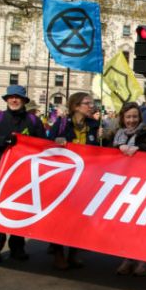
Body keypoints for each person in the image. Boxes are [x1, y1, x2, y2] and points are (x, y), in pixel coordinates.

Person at [0, 85, 48, 263]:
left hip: (24, 176)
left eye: (18, 97)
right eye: (11, 97)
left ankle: (17, 248)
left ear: (24, 100)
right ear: (6, 100)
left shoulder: (33, 121)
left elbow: (43, 145)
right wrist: (4, 140)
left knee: (20, 212)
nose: (14, 100)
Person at [111, 102, 146, 276]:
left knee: (143, 224)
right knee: (125, 224)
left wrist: (140, 149)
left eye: (134, 117)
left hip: (145, 184)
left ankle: (144, 260)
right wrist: (116, 147)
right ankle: (128, 257)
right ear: (122, 118)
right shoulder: (117, 135)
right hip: (123, 185)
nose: (131, 120)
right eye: (128, 117)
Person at [48, 92, 101, 270]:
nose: (91, 106)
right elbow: (46, 145)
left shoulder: (94, 125)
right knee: (60, 217)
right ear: (76, 106)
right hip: (65, 178)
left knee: (80, 218)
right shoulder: (62, 124)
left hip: (86, 178)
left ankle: (74, 253)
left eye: (92, 103)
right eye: (87, 103)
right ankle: (58, 253)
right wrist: (57, 142)